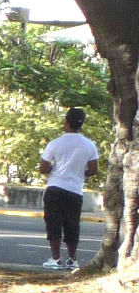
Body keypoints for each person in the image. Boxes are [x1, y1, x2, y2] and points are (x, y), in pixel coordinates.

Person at [39, 106, 101, 271]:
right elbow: (94, 169)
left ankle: (56, 258)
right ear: (82, 124)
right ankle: (72, 260)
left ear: (66, 122)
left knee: (54, 223)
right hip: (75, 190)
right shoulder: (89, 145)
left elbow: (43, 168)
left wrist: (57, 170)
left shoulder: (55, 143)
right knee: (72, 224)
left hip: (55, 187)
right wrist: (79, 174)